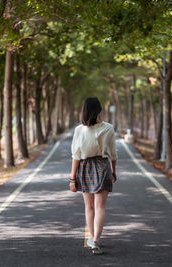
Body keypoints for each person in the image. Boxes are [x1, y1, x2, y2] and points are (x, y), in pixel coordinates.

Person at [70, 97, 117, 255]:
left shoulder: (79, 130)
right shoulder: (109, 128)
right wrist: (113, 170)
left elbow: (76, 156)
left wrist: (72, 179)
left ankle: (92, 238)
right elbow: (113, 154)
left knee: (89, 207)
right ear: (99, 111)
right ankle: (96, 240)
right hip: (103, 166)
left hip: (85, 167)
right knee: (100, 207)